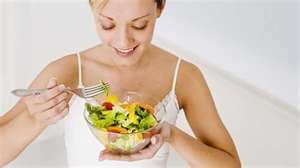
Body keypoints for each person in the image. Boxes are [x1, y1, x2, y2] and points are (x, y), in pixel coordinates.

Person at [0, 0, 241, 167]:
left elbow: (230, 164)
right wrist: (34, 118)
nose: (123, 41)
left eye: (139, 25)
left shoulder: (184, 76)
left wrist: (171, 135)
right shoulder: (70, 71)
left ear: (160, 7)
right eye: (108, 25)